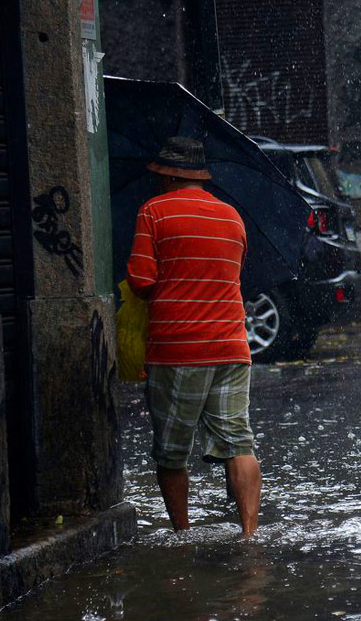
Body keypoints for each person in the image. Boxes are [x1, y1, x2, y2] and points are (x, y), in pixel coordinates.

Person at [126, 136, 261, 537]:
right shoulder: (232, 216)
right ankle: (249, 535)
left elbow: (141, 279)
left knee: (172, 451)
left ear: (168, 175)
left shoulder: (153, 212)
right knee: (239, 441)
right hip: (233, 346)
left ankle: (182, 535)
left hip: (178, 348)